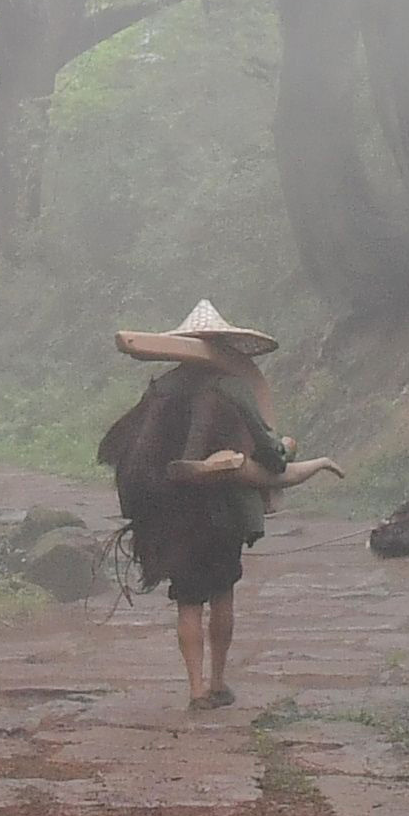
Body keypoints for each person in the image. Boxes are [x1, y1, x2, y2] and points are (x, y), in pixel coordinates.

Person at [93, 301, 339, 709]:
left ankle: (194, 689)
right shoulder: (233, 387)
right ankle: (218, 682)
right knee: (222, 592)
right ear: (224, 345)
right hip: (220, 510)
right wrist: (287, 449)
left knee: (188, 597)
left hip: (171, 512)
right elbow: (270, 453)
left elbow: (125, 449)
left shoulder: (161, 389)